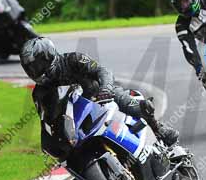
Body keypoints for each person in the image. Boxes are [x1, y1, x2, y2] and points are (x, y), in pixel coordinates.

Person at [20, 37, 179, 147]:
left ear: (49, 56)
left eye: (38, 65)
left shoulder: (73, 60)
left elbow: (103, 71)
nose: (35, 71)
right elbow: (46, 122)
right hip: (78, 120)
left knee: (131, 105)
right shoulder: (40, 93)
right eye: (31, 68)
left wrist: (106, 89)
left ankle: (159, 129)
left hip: (101, 97)